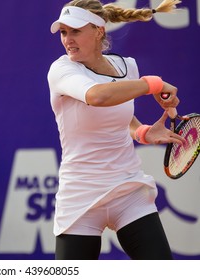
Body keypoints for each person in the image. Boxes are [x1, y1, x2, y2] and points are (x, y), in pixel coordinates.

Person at [47, 0, 184, 259]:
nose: (67, 40)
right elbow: (98, 97)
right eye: (63, 32)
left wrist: (142, 131)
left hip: (127, 189)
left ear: (99, 30)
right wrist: (152, 84)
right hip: (81, 196)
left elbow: (118, 114)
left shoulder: (127, 67)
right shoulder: (61, 70)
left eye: (75, 31)